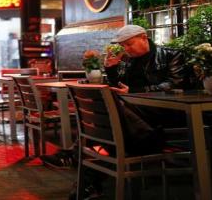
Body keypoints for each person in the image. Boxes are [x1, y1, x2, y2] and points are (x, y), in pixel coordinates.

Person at [69, 25, 189, 199]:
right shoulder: (128, 60)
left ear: (143, 37)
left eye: (129, 44)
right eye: (123, 46)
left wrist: (136, 90)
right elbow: (119, 86)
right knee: (113, 109)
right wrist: (111, 68)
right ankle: (89, 182)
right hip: (134, 118)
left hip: (164, 113)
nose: (126, 49)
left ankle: (78, 162)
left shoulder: (171, 54)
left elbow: (175, 84)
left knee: (114, 110)